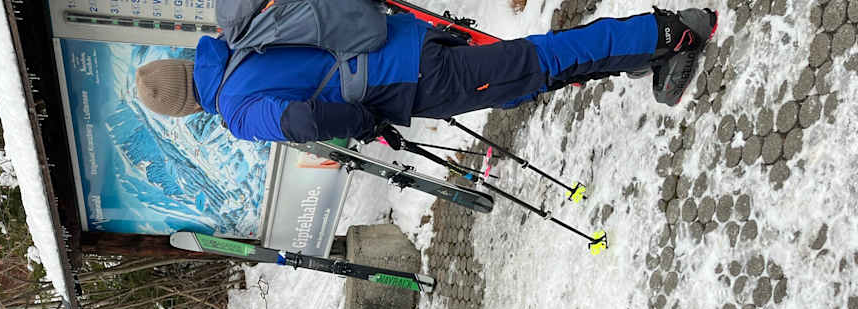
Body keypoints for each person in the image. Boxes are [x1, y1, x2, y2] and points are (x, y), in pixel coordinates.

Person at [132, 7, 718, 144]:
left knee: (538, 61)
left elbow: (305, 117)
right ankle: (645, 55)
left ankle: (669, 33)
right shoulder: (235, 40)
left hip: (413, 77)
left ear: (185, 108)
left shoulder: (236, 111)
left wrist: (363, 125)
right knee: (529, 71)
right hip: (406, 34)